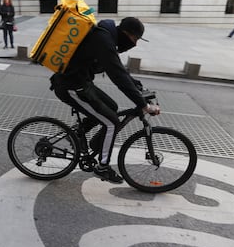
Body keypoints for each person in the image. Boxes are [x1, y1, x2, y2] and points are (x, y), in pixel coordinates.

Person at [50, 17, 160, 184]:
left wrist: (137, 86)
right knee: (111, 123)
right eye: (135, 39)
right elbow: (117, 75)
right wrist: (143, 105)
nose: (135, 44)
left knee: (112, 107)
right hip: (70, 87)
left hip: (81, 83)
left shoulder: (107, 38)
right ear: (125, 33)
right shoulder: (103, 39)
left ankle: (80, 134)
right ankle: (102, 167)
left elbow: (118, 69)